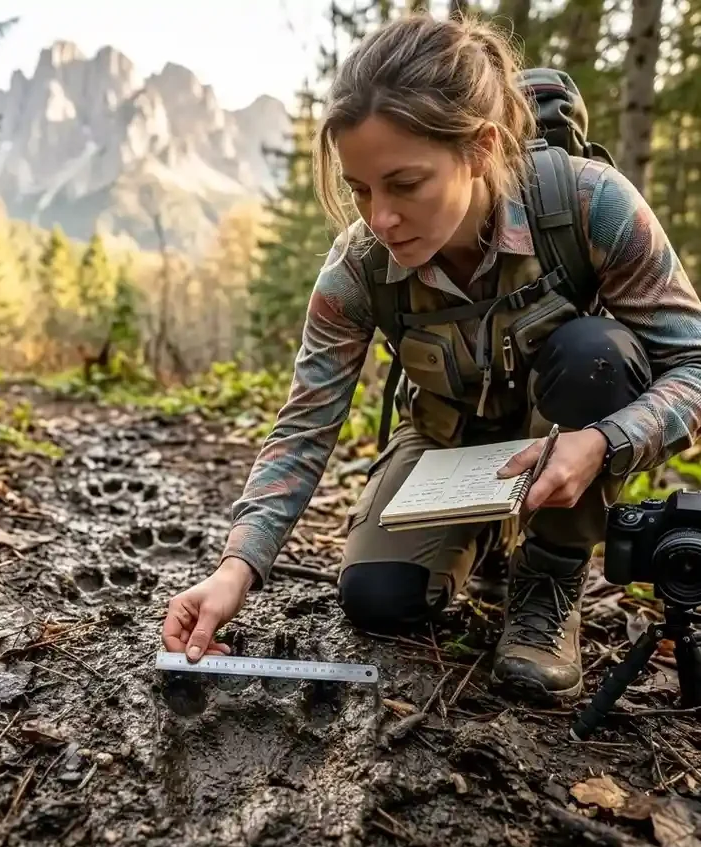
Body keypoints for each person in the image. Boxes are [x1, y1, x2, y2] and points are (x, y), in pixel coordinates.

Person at [160, 12, 701, 701]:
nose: (379, 217)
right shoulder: (357, 269)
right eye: (360, 189)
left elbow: (694, 365)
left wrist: (602, 440)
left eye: (405, 184)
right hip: (446, 445)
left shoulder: (592, 205)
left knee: (596, 353)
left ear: (479, 147)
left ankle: (550, 572)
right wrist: (236, 566)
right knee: (378, 599)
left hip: (565, 433)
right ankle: (480, 539)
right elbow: (304, 423)